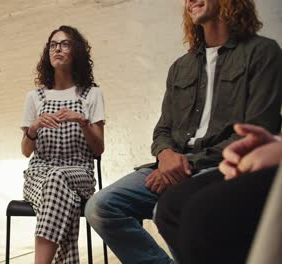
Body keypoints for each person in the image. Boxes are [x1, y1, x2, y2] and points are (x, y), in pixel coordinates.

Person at [84, 0, 281, 263]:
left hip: (221, 164)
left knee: (173, 209)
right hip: (172, 164)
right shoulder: (180, 67)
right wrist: (165, 155)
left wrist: (184, 164)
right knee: (100, 207)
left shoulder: (263, 52)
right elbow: (163, 129)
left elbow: (257, 132)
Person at [21, 25, 105, 264]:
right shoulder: (34, 97)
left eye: (65, 43)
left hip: (79, 172)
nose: (57, 48)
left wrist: (83, 121)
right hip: (39, 174)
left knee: (57, 178)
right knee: (58, 189)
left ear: (75, 51)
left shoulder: (91, 94)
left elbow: (98, 149)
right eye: (53, 44)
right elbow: (26, 151)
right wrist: (34, 128)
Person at [155, 124, 282, 264]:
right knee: (171, 206)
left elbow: (255, 122)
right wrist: (165, 154)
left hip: (207, 160)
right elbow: (162, 130)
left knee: (203, 213)